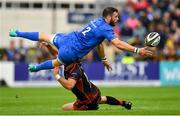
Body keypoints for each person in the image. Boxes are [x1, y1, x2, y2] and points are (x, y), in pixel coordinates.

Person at [9, 7, 153, 72]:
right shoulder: (107, 28)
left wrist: (103, 59)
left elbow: (99, 43)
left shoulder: (97, 21)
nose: (118, 18)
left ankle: (17, 32)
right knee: (56, 62)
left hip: (68, 38)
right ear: (108, 17)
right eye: (115, 16)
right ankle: (36, 68)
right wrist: (137, 50)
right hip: (72, 51)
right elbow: (118, 44)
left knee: (43, 35)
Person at [53, 63, 132, 110]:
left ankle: (89, 107)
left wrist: (57, 76)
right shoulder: (74, 63)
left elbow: (69, 86)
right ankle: (124, 103)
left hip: (87, 100)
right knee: (103, 99)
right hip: (94, 92)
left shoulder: (74, 70)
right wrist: (49, 46)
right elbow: (59, 55)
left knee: (64, 107)